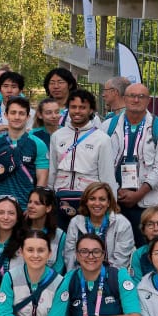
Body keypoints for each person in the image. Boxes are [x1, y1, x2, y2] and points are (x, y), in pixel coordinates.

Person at [103, 83, 158, 240]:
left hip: (144, 203)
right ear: (124, 99)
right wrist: (115, 190)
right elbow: (102, 164)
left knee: (147, 248)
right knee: (112, 248)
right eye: (132, 96)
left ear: (148, 101)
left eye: (141, 96)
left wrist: (138, 194)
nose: (136, 100)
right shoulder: (108, 126)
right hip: (113, 200)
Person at [47, 88, 115, 220]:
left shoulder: (102, 139)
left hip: (90, 200)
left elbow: (107, 177)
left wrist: (112, 209)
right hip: (60, 197)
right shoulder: (57, 136)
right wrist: (49, 196)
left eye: (82, 107)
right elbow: (52, 170)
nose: (77, 111)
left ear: (91, 110)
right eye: (73, 107)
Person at [0, 97, 47, 210]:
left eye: (21, 113)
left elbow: (42, 178)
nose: (17, 117)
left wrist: (33, 206)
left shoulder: (38, 144)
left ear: (28, 117)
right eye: (13, 113)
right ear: (6, 115)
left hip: (26, 206)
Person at [63, 182, 135, 271]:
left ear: (108, 202)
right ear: (86, 202)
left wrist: (105, 279)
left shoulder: (122, 223)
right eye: (92, 199)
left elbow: (121, 261)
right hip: (81, 274)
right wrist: (74, 278)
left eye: (102, 199)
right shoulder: (75, 222)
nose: (97, 203)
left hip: (111, 276)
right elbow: (70, 256)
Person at [25, 186, 67, 273]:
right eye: (30, 202)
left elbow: (59, 266)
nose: (31, 206)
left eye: (37, 203)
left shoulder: (60, 235)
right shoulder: (19, 230)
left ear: (48, 208)